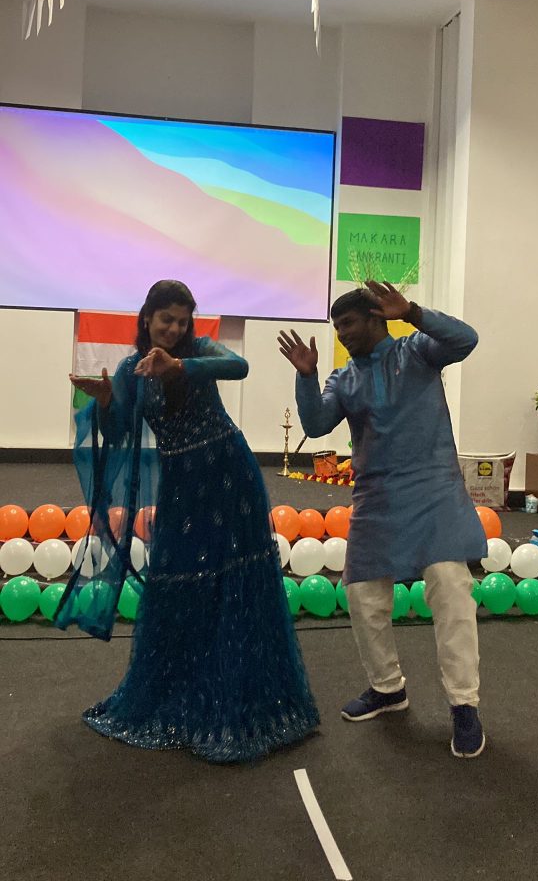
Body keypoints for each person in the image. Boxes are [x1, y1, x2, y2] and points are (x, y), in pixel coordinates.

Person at [56, 280, 319, 763]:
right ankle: (183, 690)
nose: (175, 329)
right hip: (182, 486)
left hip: (229, 474)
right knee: (178, 579)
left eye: (182, 320)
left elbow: (238, 366)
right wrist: (108, 401)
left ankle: (244, 696)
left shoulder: (199, 350)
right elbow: (120, 431)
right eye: (166, 320)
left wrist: (179, 365)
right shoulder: (131, 370)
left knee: (238, 577)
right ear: (147, 318)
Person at [278, 280, 488, 758]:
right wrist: (307, 377)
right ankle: (387, 689)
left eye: (348, 323)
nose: (342, 334)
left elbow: (467, 339)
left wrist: (412, 311)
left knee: (450, 585)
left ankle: (464, 706)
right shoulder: (342, 378)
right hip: (376, 497)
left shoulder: (417, 351)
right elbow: (315, 425)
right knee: (362, 594)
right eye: (337, 327)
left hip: (433, 489)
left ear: (376, 317)